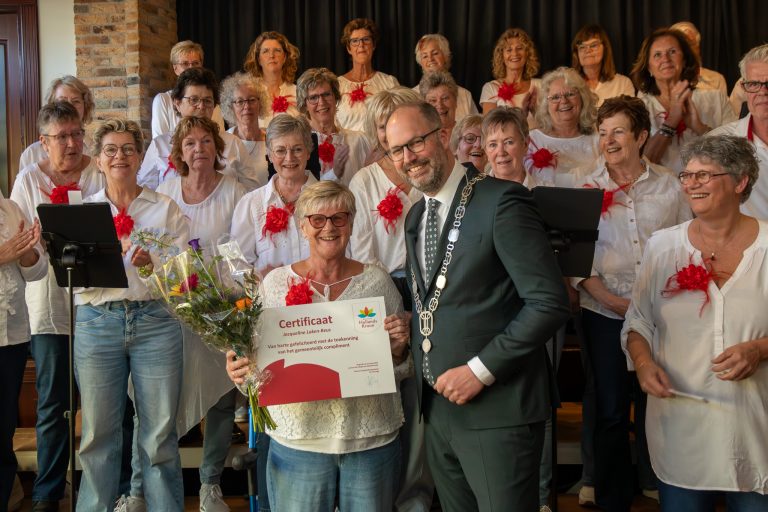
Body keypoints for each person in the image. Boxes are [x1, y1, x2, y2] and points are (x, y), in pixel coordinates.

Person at [386, 100, 569, 511]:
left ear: (442, 137)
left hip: (498, 408)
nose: (407, 158)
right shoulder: (416, 215)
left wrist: (478, 371)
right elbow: (446, 301)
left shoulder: (502, 201)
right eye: (396, 150)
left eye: (415, 143)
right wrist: (409, 327)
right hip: (437, 410)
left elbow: (548, 303)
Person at [226, 180, 412, 511]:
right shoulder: (275, 284)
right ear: (302, 227)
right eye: (317, 219)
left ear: (351, 224)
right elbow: (255, 363)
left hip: (370, 441)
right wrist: (240, 369)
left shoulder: (377, 282)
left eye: (339, 218)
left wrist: (398, 350)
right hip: (300, 441)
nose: (329, 227)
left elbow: (402, 364)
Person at [623, 135, 768, 511]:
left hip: (755, 431)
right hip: (681, 427)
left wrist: (759, 348)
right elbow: (637, 322)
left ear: (740, 182)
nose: (691, 184)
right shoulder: (662, 246)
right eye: (687, 175)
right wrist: (643, 363)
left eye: (705, 175)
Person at [571, 95, 692, 511]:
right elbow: (573, 258)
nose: (609, 140)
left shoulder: (671, 186)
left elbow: (685, 247)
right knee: (609, 408)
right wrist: (610, 299)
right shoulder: (584, 187)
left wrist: (655, 303)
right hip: (603, 312)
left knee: (657, 402)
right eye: (603, 133)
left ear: (641, 136)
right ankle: (612, 500)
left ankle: (664, 485)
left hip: (662, 314)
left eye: (619, 131)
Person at [74, 118, 189, 511]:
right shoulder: (83, 212)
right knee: (98, 434)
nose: (119, 156)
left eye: (128, 149)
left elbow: (184, 276)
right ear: (98, 160)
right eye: (110, 150)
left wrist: (150, 265)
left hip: (155, 321)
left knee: (158, 435)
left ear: (140, 157)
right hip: (97, 322)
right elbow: (70, 280)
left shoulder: (165, 208)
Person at [10, 102, 104, 512]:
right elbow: (20, 236)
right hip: (48, 305)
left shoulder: (100, 170)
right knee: (52, 403)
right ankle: (48, 493)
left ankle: (103, 489)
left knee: (102, 403)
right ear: (43, 142)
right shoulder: (29, 179)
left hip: (99, 302)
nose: (70, 143)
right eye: (60, 137)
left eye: (75, 133)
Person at [157, 117, 246, 512]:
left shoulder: (237, 193)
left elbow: (242, 253)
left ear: (217, 147)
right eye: (190, 142)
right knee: (164, 399)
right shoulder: (163, 193)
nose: (199, 149)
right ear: (179, 152)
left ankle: (210, 484)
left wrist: (223, 295)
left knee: (221, 400)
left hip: (222, 307)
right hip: (174, 309)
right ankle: (155, 484)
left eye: (206, 141)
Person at [347, 86, 428, 511]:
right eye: (382, 126)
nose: (390, 133)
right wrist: (390, 304)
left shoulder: (426, 171)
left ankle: (414, 496)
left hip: (430, 288)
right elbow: (361, 251)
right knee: (383, 393)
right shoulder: (364, 180)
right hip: (382, 290)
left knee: (418, 400)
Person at [630, 28, 735, 173]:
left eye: (672, 52)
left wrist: (699, 127)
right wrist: (671, 121)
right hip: (659, 193)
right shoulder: (639, 108)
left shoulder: (716, 99)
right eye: (657, 55)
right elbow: (639, 164)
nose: (665, 59)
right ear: (648, 67)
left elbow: (735, 156)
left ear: (684, 59)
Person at [0, 197, 46, 512]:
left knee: (4, 431)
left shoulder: (10, 209)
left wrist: (29, 253)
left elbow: (37, 272)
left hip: (11, 337)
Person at [138, 68, 250, 191]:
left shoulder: (232, 143)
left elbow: (251, 192)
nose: (201, 106)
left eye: (207, 101)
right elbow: (144, 194)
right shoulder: (160, 145)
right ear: (177, 103)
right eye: (194, 100)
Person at [709, 44, 768, 219]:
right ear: (743, 87)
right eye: (754, 84)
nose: (763, 92)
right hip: (747, 244)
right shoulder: (717, 143)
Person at [295, 67, 370, 185]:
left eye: (326, 94)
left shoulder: (359, 140)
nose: (321, 102)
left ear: (336, 98)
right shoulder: (299, 145)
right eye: (314, 97)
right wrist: (334, 173)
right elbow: (302, 191)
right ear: (305, 105)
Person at [528, 67, 600, 187]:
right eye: (555, 97)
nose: (564, 101)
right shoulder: (532, 140)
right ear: (546, 105)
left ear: (583, 98)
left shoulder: (597, 139)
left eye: (570, 94)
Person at [150, 40, 226, 138]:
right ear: (175, 68)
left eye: (195, 63)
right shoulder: (163, 100)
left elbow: (220, 137)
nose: (191, 68)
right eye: (185, 64)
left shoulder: (211, 100)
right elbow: (160, 141)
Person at [336, 18, 400, 132]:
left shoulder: (389, 82)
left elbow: (399, 120)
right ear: (348, 48)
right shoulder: (337, 85)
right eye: (355, 41)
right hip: (347, 149)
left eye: (366, 39)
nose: (361, 45)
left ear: (374, 45)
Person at [19, 75, 96, 169]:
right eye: (63, 101)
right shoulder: (31, 154)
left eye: (76, 101)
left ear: (85, 107)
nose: (69, 107)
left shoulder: (96, 151)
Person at [220, 71, 270, 190]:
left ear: (260, 103)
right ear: (230, 107)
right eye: (240, 101)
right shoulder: (222, 141)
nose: (246, 106)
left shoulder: (273, 140)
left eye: (252, 100)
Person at [480, 27, 540, 125]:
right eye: (509, 50)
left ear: (527, 54)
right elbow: (489, 128)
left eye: (519, 48)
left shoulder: (541, 85)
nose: (514, 53)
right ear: (501, 56)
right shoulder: (491, 88)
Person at [413, 34, 478, 121]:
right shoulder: (411, 96)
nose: (430, 59)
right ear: (420, 63)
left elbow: (476, 127)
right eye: (425, 56)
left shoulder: (465, 95)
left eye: (435, 53)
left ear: (446, 56)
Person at [243, 31, 300, 128]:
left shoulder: (298, 92)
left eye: (277, 50)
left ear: (285, 57)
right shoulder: (249, 93)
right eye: (265, 51)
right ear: (258, 59)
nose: (271, 55)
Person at [482, 106, 549, 188]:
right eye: (493, 145)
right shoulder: (474, 194)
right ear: (485, 150)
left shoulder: (546, 193)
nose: (501, 152)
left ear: (525, 144)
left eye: (509, 142)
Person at [571, 24, 635, 106]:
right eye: (582, 47)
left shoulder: (623, 84)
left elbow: (630, 117)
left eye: (593, 45)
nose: (588, 50)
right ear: (577, 54)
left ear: (605, 49)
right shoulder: (569, 85)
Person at [669, 22, 728, 94]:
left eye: (691, 44)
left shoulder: (717, 80)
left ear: (698, 48)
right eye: (680, 46)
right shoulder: (662, 80)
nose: (686, 50)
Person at [419, 71, 460, 139]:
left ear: (455, 101)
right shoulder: (419, 137)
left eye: (445, 98)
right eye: (433, 100)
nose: (440, 105)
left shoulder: (467, 135)